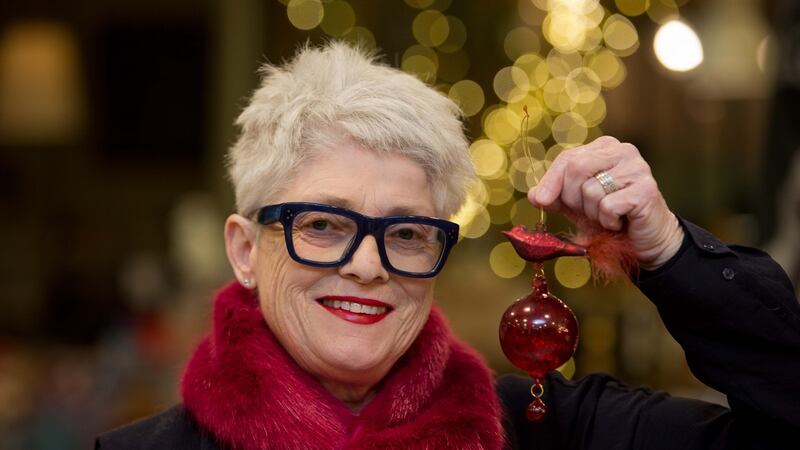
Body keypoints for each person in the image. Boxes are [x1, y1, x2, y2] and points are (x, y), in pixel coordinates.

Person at [95, 42, 800, 449]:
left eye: (405, 233)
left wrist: (669, 250)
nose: (366, 265)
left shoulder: (546, 430)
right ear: (245, 250)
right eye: (323, 225)